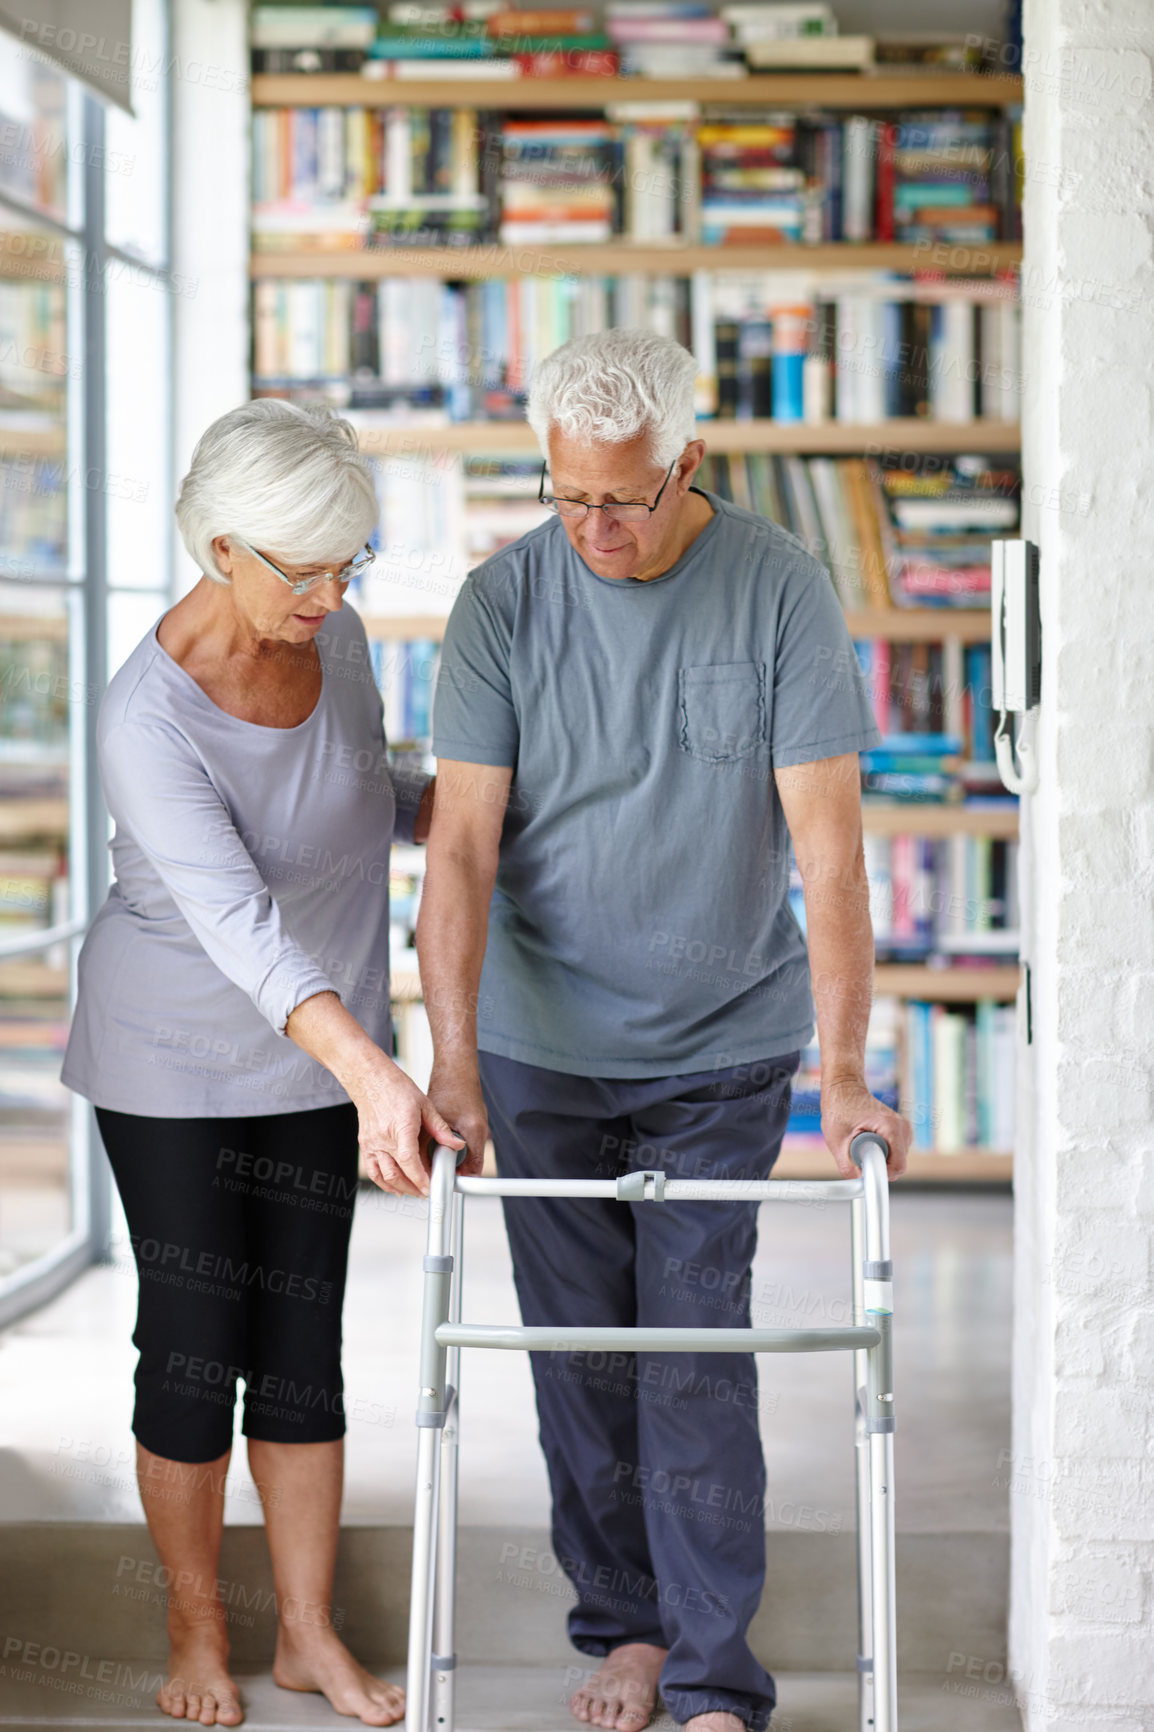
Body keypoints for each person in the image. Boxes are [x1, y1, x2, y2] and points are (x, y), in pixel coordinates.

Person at [416, 328, 912, 1732]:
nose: (594, 528)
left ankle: (711, 1676)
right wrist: (451, 1060)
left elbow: (827, 852)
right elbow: (456, 850)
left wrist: (843, 1071)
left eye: (623, 499)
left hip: (718, 1047)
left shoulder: (779, 591)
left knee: (692, 1353)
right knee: (578, 1358)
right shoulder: (501, 601)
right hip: (538, 1039)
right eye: (568, 495)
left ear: (687, 464)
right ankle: (624, 1630)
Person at [62, 400, 470, 1729]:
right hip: (173, 1061)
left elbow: (365, 785)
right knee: (191, 1349)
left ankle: (304, 1635)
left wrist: (486, 816)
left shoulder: (332, 634)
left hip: (322, 1059)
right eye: (303, 568)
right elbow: (236, 921)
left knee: (302, 1354)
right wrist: (373, 1068)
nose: (331, 592)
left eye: (347, 563)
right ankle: (196, 1632)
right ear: (219, 545)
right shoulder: (147, 719)